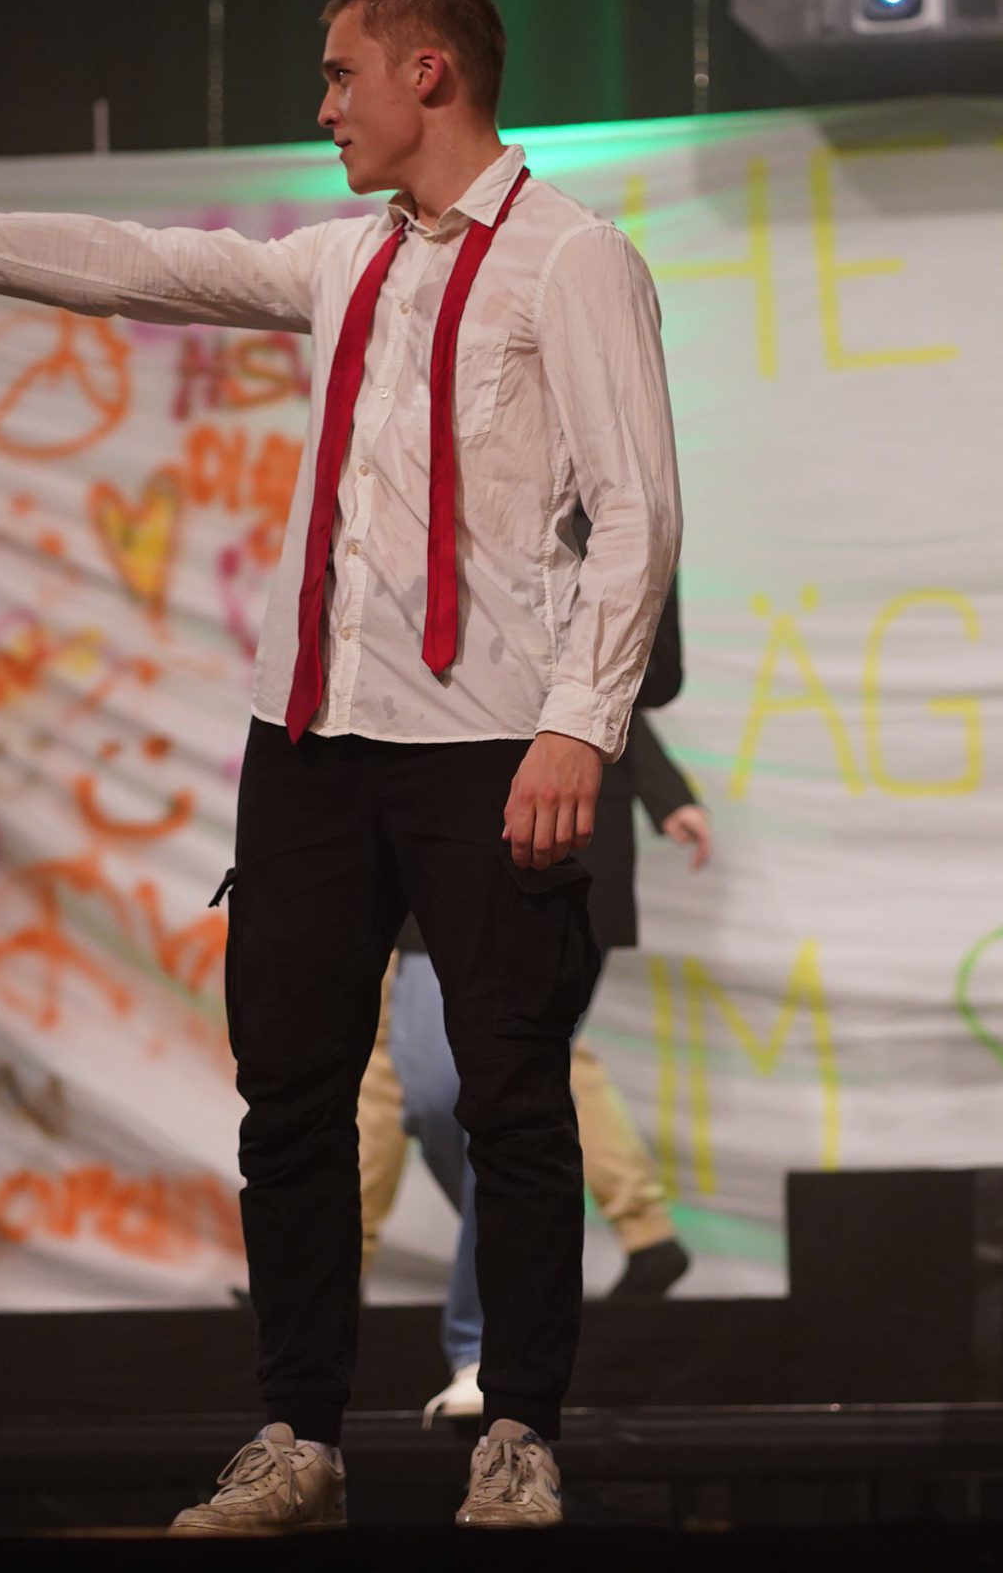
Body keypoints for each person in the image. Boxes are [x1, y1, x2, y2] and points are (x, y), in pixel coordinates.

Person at [0, 0, 681, 1530]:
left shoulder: (573, 259)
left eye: (340, 75)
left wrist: (578, 731)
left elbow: (640, 514)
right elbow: (134, 265)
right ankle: (298, 1436)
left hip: (485, 737)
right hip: (310, 737)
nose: (324, 107)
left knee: (514, 1096)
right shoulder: (345, 259)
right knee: (291, 1099)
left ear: (427, 75)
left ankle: (521, 1431)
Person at [358, 598, 704, 1426]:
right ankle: (532, 1244)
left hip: (564, 837)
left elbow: (628, 675)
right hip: (440, 828)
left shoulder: (611, 525)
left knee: (511, 1094)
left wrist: (666, 794)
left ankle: (482, 1346)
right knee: (433, 1093)